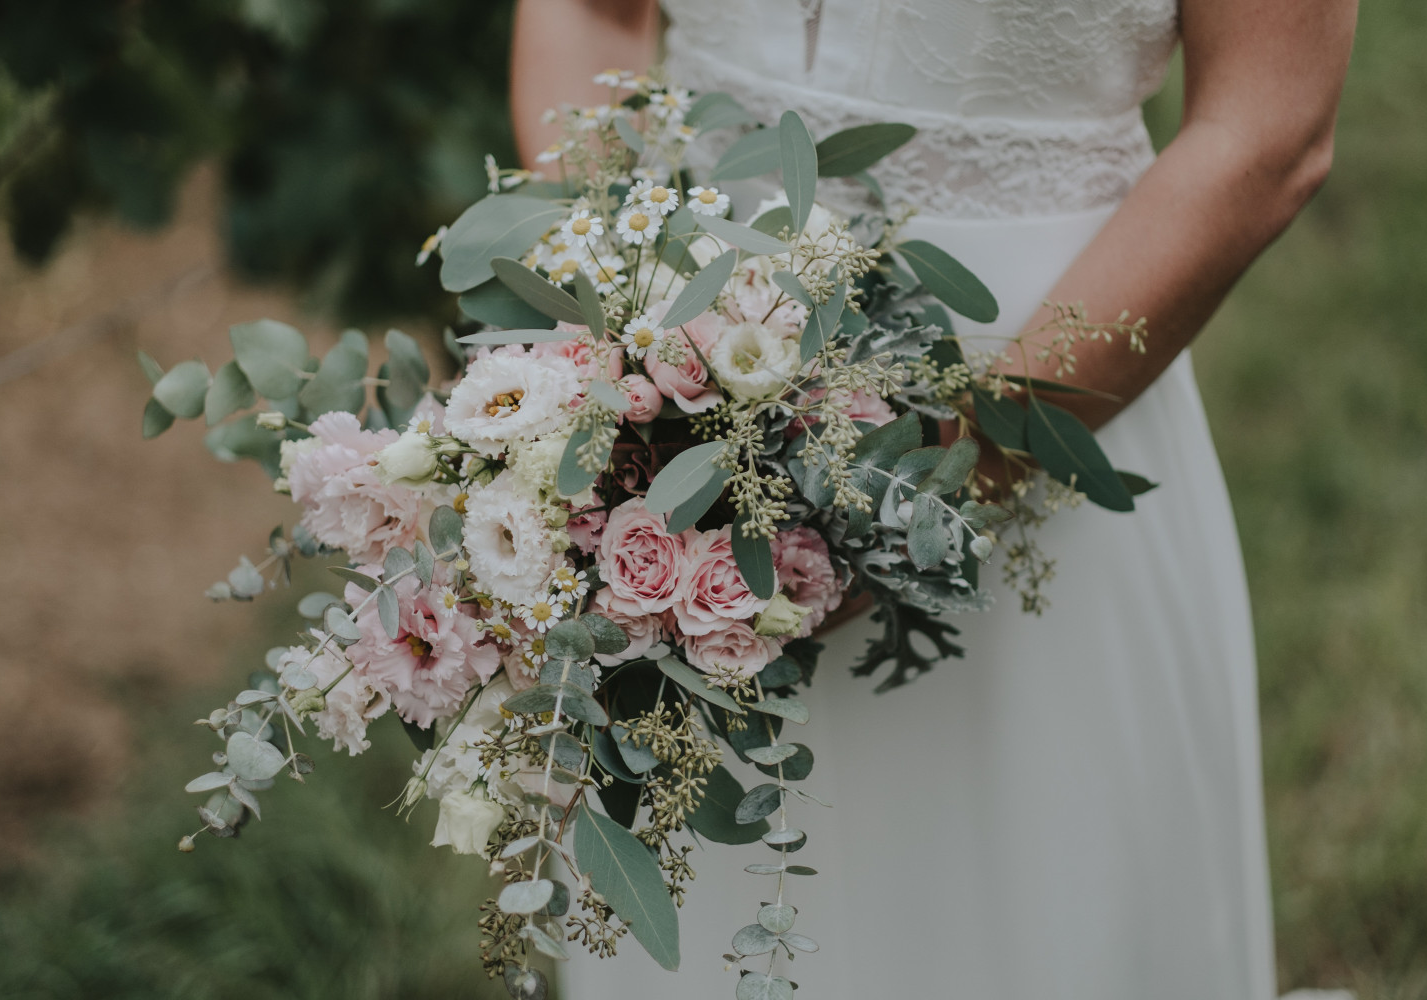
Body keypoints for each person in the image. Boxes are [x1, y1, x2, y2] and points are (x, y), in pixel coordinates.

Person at [510, 1, 1357, 997]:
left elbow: (1268, 131)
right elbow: (591, 14)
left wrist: (938, 480)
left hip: (1045, 372)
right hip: (679, 386)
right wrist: (617, 348)